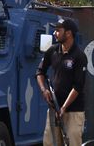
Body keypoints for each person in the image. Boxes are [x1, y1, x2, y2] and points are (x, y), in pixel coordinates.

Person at [36, 18, 87, 146]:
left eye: (58, 31)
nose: (54, 33)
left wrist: (63, 108)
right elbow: (40, 72)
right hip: (54, 110)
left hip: (73, 111)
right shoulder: (52, 51)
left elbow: (78, 86)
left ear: (68, 33)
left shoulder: (79, 56)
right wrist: (44, 90)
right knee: (49, 143)